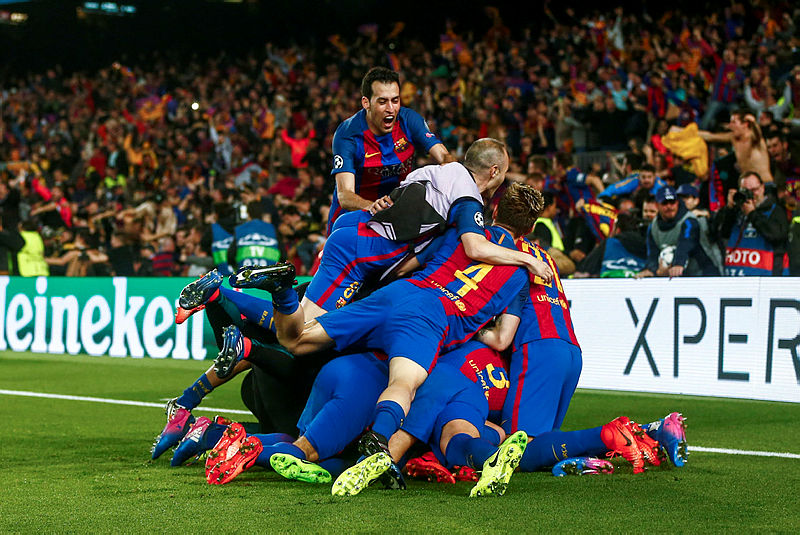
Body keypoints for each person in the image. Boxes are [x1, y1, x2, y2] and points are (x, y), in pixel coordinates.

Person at [217, 183, 546, 494]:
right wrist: (477, 324)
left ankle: (283, 294)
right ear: (529, 229)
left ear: (496, 210)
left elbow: (405, 265)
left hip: (398, 294)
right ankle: (378, 441)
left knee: (298, 339)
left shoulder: (460, 233)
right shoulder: (519, 276)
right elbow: (502, 339)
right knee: (404, 383)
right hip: (430, 320)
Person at [327, 67, 454, 232]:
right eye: (382, 102)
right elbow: (345, 195)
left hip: (396, 216)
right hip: (353, 220)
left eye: (395, 100)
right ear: (366, 103)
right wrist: (373, 206)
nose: (391, 108)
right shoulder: (348, 134)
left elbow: (444, 156)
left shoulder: (409, 120)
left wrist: (450, 173)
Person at [714, 171, 790, 276]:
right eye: (745, 191)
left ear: (762, 188)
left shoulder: (775, 210)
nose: (751, 194)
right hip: (735, 277)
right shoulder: (736, 211)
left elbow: (777, 236)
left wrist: (752, 214)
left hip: (766, 279)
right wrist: (729, 209)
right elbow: (720, 233)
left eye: (754, 190)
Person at [636, 186, 722, 278]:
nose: (669, 206)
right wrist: (651, 270)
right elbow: (653, 253)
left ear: (677, 202)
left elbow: (686, 243)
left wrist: (679, 263)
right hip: (676, 276)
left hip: (704, 273)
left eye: (672, 202)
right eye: (665, 203)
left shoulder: (689, 220)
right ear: (657, 205)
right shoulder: (653, 227)